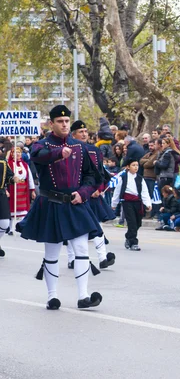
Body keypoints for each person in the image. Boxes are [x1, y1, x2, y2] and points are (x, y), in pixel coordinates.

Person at [17, 105, 104, 310]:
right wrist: (58, 153)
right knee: (52, 251)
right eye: (60, 121)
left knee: (82, 248)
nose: (64, 125)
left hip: (75, 203)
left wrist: (82, 193)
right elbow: (39, 156)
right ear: (51, 123)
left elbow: (92, 176)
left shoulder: (80, 147)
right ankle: (52, 296)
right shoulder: (41, 145)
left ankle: (83, 296)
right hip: (51, 203)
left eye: (67, 121)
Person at [67, 120, 116, 270]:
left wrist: (98, 189)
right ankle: (72, 259)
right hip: (75, 194)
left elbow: (100, 173)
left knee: (97, 226)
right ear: (73, 134)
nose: (84, 134)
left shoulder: (94, 151)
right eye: (80, 132)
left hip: (92, 193)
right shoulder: (67, 149)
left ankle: (102, 258)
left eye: (85, 131)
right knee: (73, 227)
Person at [111, 158, 152, 251]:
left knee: (138, 222)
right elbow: (117, 191)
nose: (136, 167)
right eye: (133, 165)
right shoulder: (123, 177)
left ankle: (128, 237)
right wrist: (114, 203)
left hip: (138, 202)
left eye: (137, 165)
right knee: (132, 222)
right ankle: (134, 242)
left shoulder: (140, 178)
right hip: (127, 202)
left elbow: (144, 192)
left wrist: (148, 203)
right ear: (128, 167)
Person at [6, 147, 36, 218]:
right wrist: (6, 190)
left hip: (23, 189)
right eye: (15, 152)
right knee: (13, 207)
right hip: (13, 188)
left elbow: (30, 178)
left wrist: (32, 190)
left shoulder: (25, 165)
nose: (18, 154)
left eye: (19, 152)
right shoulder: (8, 164)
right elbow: (5, 178)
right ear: (12, 154)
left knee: (24, 210)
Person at [0, 157, 20, 257]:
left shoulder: (2, 161)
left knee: (4, 223)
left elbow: (8, 176)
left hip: (1, 194)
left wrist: (13, 179)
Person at [140, 140, 159, 217]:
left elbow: (148, 164)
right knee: (145, 195)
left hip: (152, 177)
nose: (150, 147)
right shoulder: (148, 154)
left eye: (152, 145)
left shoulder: (157, 154)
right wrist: (148, 160)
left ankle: (151, 213)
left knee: (151, 195)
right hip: (145, 177)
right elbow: (141, 161)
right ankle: (145, 212)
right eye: (149, 145)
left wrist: (147, 162)